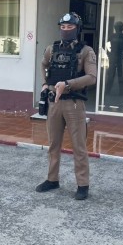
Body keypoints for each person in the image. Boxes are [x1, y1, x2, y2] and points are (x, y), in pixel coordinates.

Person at [36, 12, 97, 200]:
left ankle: (82, 184)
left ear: (77, 29)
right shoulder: (52, 48)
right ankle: (52, 179)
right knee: (53, 144)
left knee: (79, 146)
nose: (65, 30)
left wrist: (68, 84)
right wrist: (45, 83)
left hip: (74, 103)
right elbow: (43, 64)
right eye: (63, 27)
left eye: (70, 27)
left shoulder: (86, 51)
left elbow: (92, 77)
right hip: (54, 103)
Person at [105, 21, 123, 95]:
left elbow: (103, 43)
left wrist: (108, 53)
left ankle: (109, 91)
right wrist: (108, 53)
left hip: (116, 57)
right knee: (119, 75)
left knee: (113, 75)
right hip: (119, 57)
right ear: (122, 28)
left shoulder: (113, 36)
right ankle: (119, 91)